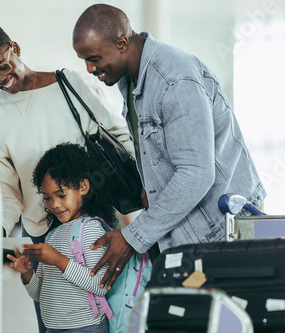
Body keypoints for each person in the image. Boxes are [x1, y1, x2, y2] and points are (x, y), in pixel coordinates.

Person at [72, 4, 267, 289]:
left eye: (94, 58)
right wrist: (150, 183)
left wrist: (132, 237)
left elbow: (197, 173)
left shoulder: (174, 79)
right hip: (197, 231)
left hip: (222, 231)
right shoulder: (134, 79)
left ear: (122, 43)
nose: (90, 69)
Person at [0, 19, 133, 333]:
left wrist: (134, 207)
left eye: (2, 66)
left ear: (15, 49)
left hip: (93, 231)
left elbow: (119, 138)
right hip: (44, 235)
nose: (0, 80)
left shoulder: (72, 85)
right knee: (55, 320)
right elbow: (4, 189)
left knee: (112, 313)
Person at [7, 143, 116, 333]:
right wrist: (26, 273)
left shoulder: (91, 229)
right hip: (53, 328)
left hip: (85, 327)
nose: (54, 204)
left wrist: (58, 260)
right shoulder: (52, 235)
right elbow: (40, 294)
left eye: (61, 195)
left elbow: (101, 285)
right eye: (47, 198)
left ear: (83, 186)